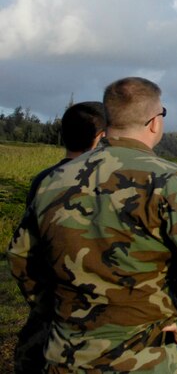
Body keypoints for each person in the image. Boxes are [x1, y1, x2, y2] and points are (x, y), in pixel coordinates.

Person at [7, 77, 177, 372]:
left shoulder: (54, 180)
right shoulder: (171, 182)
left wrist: (56, 313)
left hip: (65, 355)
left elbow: (21, 256)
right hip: (145, 357)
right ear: (155, 122)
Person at [14, 101, 107, 374]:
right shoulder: (106, 182)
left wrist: (44, 303)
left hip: (52, 309)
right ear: (101, 137)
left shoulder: (44, 180)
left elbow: (23, 252)